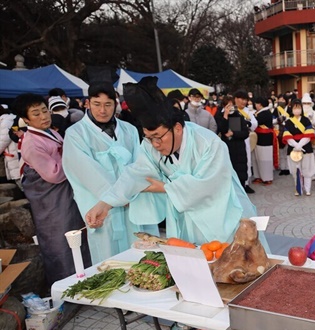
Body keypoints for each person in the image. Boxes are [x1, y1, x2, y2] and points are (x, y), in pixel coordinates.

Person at [85, 77, 265, 249]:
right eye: (149, 138)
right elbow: (135, 174)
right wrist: (105, 204)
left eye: (158, 137)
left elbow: (210, 186)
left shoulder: (209, 143)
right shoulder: (150, 145)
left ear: (177, 128)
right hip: (187, 219)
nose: (155, 144)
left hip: (225, 215)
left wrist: (165, 187)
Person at [63, 82, 158, 265]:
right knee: (109, 258)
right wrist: (117, 198)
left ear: (116, 104)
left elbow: (140, 165)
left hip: (134, 200)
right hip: (101, 204)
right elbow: (86, 172)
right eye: (97, 104)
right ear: (88, 103)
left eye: (108, 104)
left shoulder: (129, 130)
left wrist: (131, 192)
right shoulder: (76, 133)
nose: (103, 110)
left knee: (142, 251)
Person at [12, 93, 91, 285]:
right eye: (36, 113)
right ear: (26, 119)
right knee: (59, 240)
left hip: (63, 197)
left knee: (76, 235)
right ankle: (65, 285)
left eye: (44, 110)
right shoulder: (32, 142)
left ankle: (83, 278)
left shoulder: (50, 132)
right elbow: (53, 174)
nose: (44, 116)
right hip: (51, 201)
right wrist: (71, 157)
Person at [282, 99, 315, 196]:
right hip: (293, 149)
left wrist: (300, 144)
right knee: (295, 169)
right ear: (291, 109)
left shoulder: (306, 120)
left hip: (306, 147)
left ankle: (307, 188)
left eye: (299, 108)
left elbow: (309, 134)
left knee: (307, 169)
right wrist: (295, 145)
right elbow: (286, 135)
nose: (297, 110)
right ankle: (298, 188)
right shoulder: (288, 122)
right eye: (295, 108)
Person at [251, 97, 275, 185]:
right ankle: (258, 176)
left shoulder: (265, 113)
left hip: (265, 138)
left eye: (256, 103)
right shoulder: (258, 113)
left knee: (265, 159)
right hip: (258, 137)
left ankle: (267, 178)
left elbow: (256, 122)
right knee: (257, 158)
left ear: (259, 104)